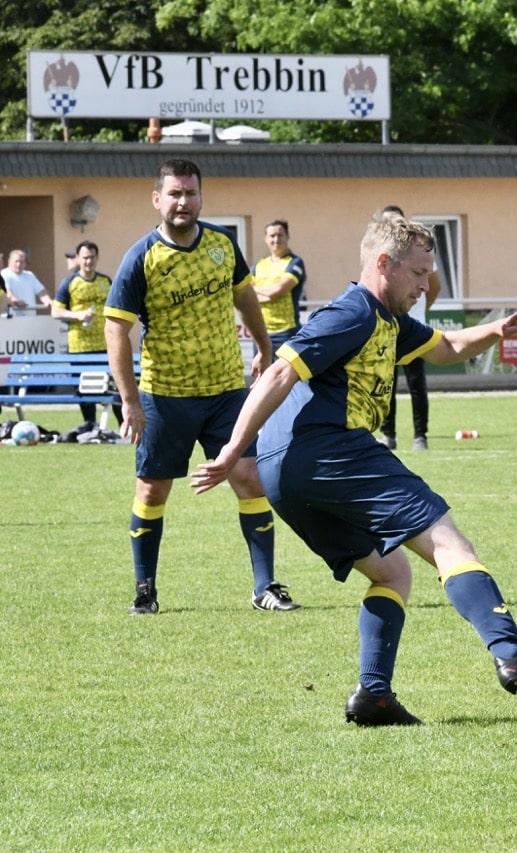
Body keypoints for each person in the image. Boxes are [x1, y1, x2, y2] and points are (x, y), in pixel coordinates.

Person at [191, 213, 517, 726]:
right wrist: (228, 452)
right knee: (449, 543)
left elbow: (446, 348)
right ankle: (509, 651)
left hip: (286, 475)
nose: (427, 285)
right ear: (384, 264)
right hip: (329, 449)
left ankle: (374, 696)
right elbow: (281, 371)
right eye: (420, 273)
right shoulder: (353, 312)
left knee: (391, 572)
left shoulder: (391, 321)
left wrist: (496, 327)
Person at [104, 158, 301, 616]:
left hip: (225, 391)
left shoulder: (222, 244)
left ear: (200, 197)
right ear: (157, 199)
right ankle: (145, 591)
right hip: (165, 395)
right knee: (152, 491)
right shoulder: (141, 258)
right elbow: (116, 331)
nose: (182, 202)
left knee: (250, 478)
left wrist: (264, 347)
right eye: (173, 194)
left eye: (190, 193)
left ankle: (265, 587)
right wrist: (130, 401)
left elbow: (245, 297)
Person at [376, 205, 436, 451]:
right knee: (385, 382)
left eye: (396, 220)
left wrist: (418, 309)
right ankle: (388, 434)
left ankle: (420, 435)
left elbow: (435, 285)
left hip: (413, 326)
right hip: (387, 325)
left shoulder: (419, 247)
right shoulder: (380, 252)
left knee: (416, 384)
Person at [51, 240, 121, 425]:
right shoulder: (69, 283)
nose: (88, 261)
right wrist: (78, 315)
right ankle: (90, 426)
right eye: (85, 258)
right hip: (79, 347)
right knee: (85, 390)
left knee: (115, 387)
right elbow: (55, 311)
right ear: (78, 259)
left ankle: (125, 427)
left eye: (92, 257)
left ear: (97, 258)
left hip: (105, 345)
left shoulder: (105, 281)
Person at [252, 219, 308, 355]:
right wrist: (270, 293)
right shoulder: (259, 265)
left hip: (286, 332)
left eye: (280, 235)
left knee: (287, 376)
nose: (276, 239)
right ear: (266, 239)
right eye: (272, 236)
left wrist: (258, 291)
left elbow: (280, 289)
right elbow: (246, 292)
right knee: (262, 376)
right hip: (261, 332)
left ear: (287, 237)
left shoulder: (295, 262)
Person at [2, 250, 53, 316]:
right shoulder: (4, 274)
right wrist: (16, 300)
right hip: (12, 319)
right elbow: (8, 292)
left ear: (25, 263)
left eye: (21, 262)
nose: (19, 264)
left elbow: (42, 292)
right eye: (16, 261)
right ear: (9, 261)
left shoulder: (30, 275)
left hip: (30, 318)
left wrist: (47, 300)